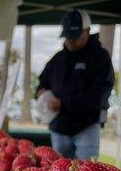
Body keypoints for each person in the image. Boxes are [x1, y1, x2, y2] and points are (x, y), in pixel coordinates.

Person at [36, 10, 114, 160]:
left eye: (75, 36)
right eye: (68, 36)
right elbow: (42, 83)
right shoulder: (57, 59)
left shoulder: (100, 58)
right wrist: (40, 92)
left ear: (87, 31)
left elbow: (99, 95)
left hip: (87, 127)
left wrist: (63, 104)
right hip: (59, 128)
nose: (71, 41)